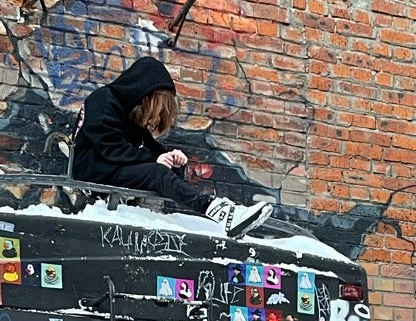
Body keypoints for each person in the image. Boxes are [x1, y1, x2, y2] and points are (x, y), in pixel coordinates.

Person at [70, 57, 273, 231]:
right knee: (155, 172)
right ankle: (218, 212)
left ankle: (223, 212)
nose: (157, 113)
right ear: (145, 94)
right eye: (157, 104)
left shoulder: (128, 114)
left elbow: (152, 150)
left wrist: (174, 161)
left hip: (108, 168)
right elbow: (109, 146)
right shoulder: (103, 100)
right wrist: (155, 159)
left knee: (157, 172)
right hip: (91, 169)